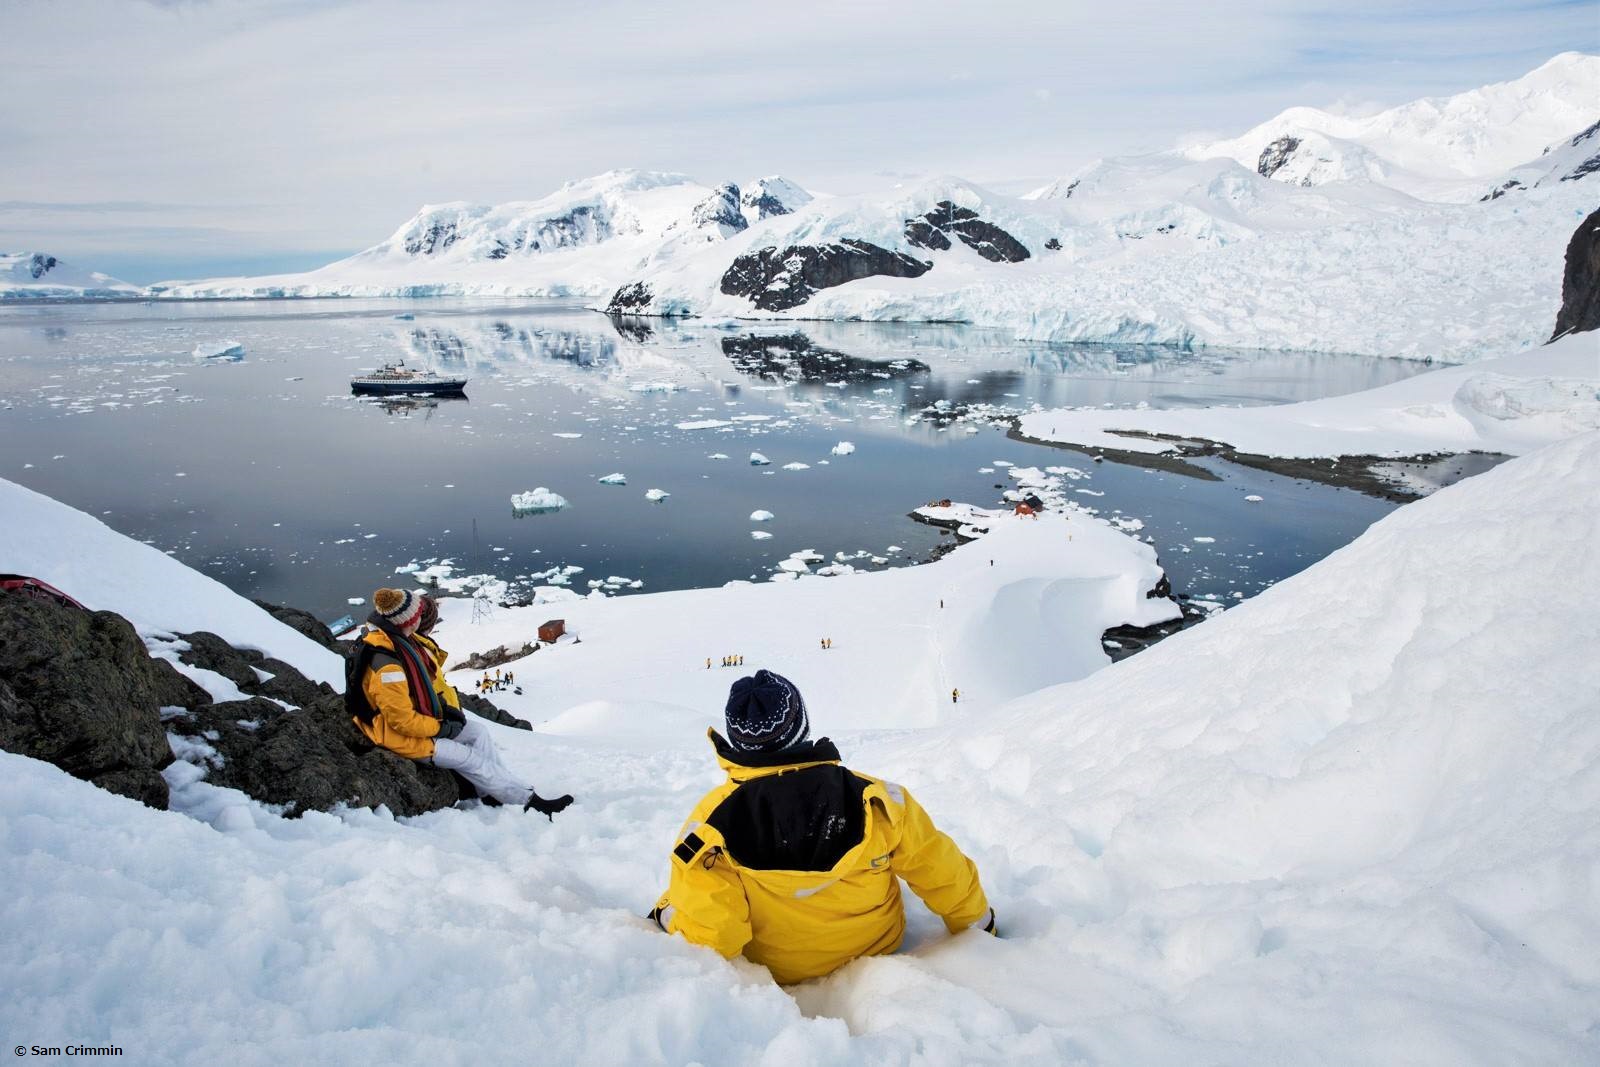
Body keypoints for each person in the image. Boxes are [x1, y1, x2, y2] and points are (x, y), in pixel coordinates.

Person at [648, 669, 994, 984]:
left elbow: (712, 932)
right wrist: (979, 923)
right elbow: (940, 868)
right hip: (879, 947)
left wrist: (667, 913)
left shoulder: (711, 824)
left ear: (737, 743)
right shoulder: (877, 799)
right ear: (802, 727)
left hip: (781, 968)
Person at [352, 588, 573, 819]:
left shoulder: (400, 641)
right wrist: (441, 728)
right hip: (399, 736)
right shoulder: (389, 665)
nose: (422, 615)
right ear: (409, 620)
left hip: (422, 723)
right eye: (418, 613)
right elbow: (402, 722)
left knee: (479, 733)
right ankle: (529, 802)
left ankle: (494, 792)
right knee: (470, 759)